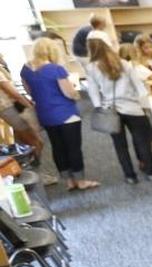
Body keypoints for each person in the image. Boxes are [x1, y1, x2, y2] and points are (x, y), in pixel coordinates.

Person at [21, 39, 98, 191]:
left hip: (45, 114)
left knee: (58, 147)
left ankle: (69, 181)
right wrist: (77, 94)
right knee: (73, 147)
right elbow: (68, 93)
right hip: (65, 113)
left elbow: (29, 92)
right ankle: (81, 181)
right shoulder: (56, 69)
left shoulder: (25, 69)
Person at [86, 39, 152, 185]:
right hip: (132, 107)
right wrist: (143, 103)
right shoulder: (124, 64)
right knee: (142, 141)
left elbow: (93, 92)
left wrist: (100, 107)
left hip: (111, 110)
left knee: (120, 145)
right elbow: (138, 86)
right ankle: (151, 172)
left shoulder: (91, 68)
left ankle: (130, 175)